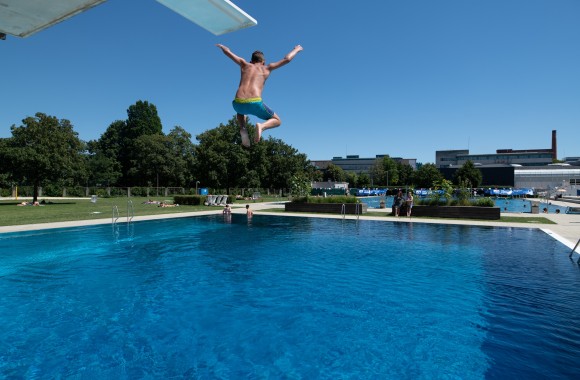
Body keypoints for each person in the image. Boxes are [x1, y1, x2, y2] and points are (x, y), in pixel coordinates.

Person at [216, 43, 303, 147]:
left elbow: (227, 52)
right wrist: (296, 49)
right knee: (277, 121)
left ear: (251, 61)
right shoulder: (267, 68)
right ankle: (261, 127)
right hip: (255, 102)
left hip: (237, 103)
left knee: (240, 112)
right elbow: (287, 59)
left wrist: (221, 46)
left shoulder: (244, 64)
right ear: (263, 62)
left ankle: (243, 129)